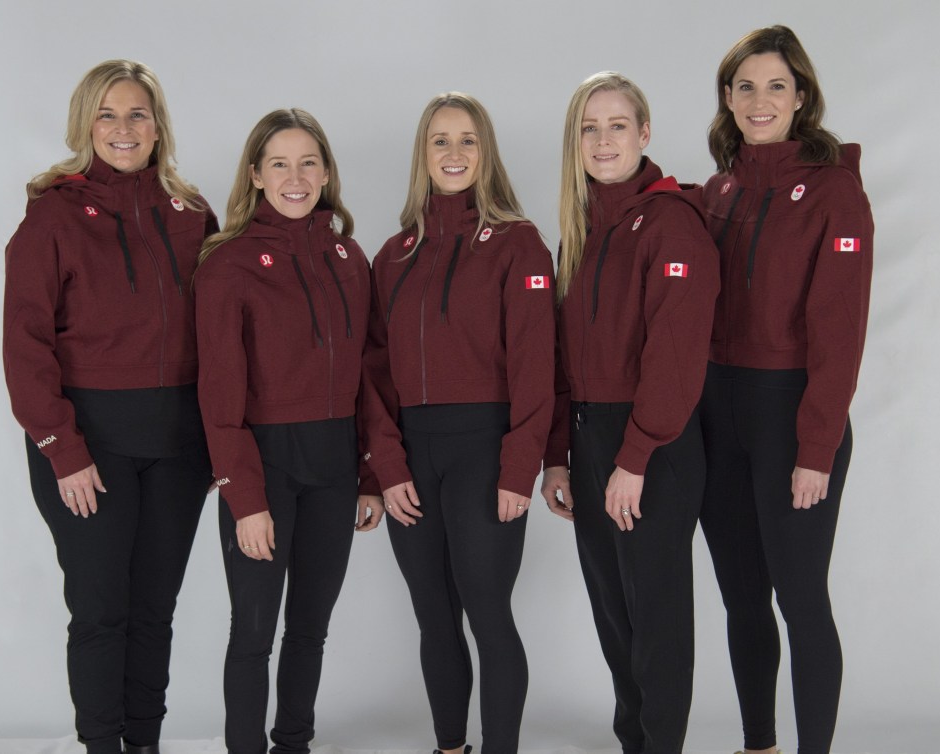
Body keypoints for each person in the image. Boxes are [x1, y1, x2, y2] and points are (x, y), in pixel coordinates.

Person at [3, 60, 215, 754]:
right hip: (88, 447)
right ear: (85, 124)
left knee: (155, 612)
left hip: (179, 448)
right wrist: (62, 449)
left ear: (158, 127)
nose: (123, 130)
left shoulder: (193, 216)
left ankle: (144, 744)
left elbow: (223, 337)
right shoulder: (52, 214)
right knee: (100, 613)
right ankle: (101, 744)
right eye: (108, 115)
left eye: (137, 116)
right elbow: (26, 345)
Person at [359, 92, 555, 754]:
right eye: (439, 141)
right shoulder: (392, 256)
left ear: (485, 152)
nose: (453, 153)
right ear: (422, 154)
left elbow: (536, 369)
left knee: (488, 615)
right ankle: (451, 747)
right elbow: (373, 375)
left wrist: (518, 468)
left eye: (466, 140)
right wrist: (385, 466)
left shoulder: (518, 245)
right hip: (413, 459)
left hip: (487, 454)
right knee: (435, 619)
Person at [698, 25, 874, 754]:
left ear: (801, 96)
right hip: (717, 415)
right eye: (745, 86)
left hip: (793, 418)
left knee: (800, 598)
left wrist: (817, 446)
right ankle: (759, 744)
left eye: (776, 85)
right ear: (728, 100)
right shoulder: (718, 190)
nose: (759, 100)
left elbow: (841, 332)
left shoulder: (836, 194)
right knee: (742, 600)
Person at [539, 72, 720, 754]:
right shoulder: (579, 230)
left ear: (645, 134)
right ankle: (635, 742)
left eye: (618, 125)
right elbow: (560, 355)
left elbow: (675, 357)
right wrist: (558, 453)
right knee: (615, 615)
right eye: (590, 127)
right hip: (590, 441)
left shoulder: (671, 223)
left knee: (658, 617)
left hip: (654, 446)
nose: (603, 139)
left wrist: (635, 457)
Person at [194, 108, 379, 754]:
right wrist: (244, 500)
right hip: (262, 464)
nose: (295, 177)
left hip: (333, 467)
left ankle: (293, 743)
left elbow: (367, 376)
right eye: (279, 163)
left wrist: (370, 475)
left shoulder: (349, 257)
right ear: (256, 174)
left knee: (309, 627)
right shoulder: (227, 265)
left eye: (308, 163)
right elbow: (218, 398)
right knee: (253, 629)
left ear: (326, 173)